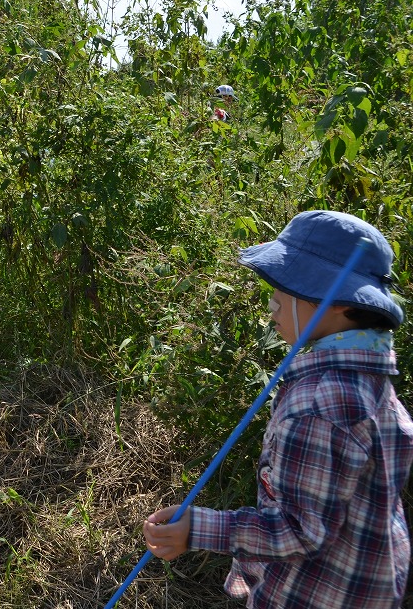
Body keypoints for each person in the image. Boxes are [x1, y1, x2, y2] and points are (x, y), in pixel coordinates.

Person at [143, 210, 412, 608]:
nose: (271, 307)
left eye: (283, 294)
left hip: (316, 594)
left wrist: (197, 528)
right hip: (368, 582)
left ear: (341, 304)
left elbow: (299, 531)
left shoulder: (321, 405)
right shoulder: (369, 378)